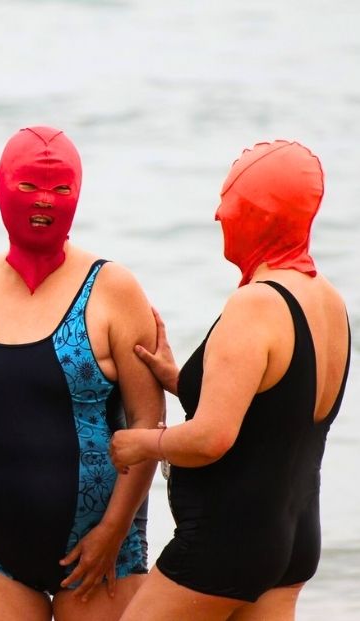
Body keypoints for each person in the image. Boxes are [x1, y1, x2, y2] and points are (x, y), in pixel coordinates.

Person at [0, 126, 165, 621]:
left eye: (61, 189)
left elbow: (148, 420)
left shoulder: (113, 289)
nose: (45, 201)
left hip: (99, 543)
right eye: (29, 187)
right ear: (0, 188)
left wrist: (114, 531)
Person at [110, 140, 352, 621]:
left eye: (230, 202)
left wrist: (139, 442)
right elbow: (278, 407)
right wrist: (180, 380)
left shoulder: (256, 304)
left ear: (259, 213)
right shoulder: (328, 302)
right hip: (294, 537)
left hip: (226, 542)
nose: (219, 216)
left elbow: (212, 438)